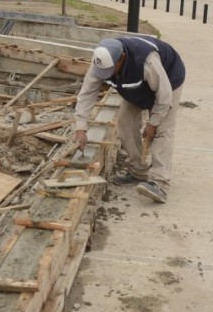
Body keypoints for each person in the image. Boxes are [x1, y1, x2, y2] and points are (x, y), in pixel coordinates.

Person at [74, 36, 186, 203]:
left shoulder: (147, 61)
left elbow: (164, 96)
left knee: (162, 131)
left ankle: (160, 183)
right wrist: (80, 127)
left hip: (168, 83)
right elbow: (87, 93)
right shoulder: (101, 60)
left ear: (122, 58)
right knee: (125, 123)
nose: (107, 75)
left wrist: (153, 123)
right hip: (137, 87)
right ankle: (138, 171)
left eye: (110, 70)